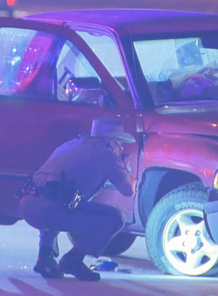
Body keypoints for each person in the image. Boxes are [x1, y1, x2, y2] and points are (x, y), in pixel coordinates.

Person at [18, 118, 136, 281]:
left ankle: (45, 258)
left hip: (28, 206)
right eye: (119, 143)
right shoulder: (105, 153)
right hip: (50, 211)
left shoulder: (71, 144)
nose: (121, 148)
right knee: (115, 218)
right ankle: (73, 260)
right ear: (111, 141)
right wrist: (123, 168)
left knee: (57, 200)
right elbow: (128, 190)